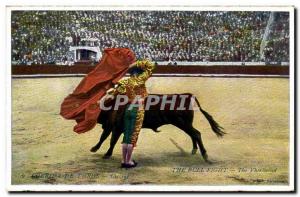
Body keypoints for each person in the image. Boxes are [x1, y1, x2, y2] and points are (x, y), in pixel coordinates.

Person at [101, 59, 155, 168]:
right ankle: (128, 161)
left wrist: (104, 97)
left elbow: (113, 92)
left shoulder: (125, 81)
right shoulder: (140, 79)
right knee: (132, 136)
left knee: (126, 135)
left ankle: (123, 160)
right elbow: (151, 65)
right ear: (139, 73)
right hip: (137, 110)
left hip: (128, 109)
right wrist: (134, 63)